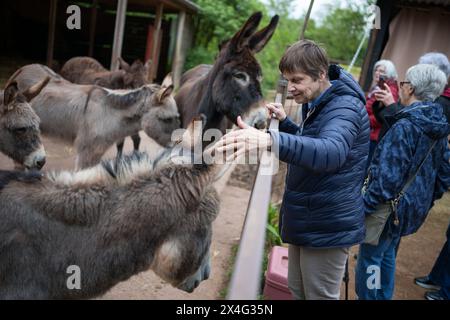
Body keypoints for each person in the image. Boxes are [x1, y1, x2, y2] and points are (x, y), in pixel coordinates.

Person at [213, 40, 370, 300]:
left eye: (296, 80)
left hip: (326, 226)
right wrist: (285, 125)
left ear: (321, 74)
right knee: (298, 291)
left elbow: (330, 152)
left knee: (318, 296)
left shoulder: (344, 108)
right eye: (287, 80)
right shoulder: (321, 101)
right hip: (311, 217)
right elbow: (314, 143)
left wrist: (270, 140)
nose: (291, 88)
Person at [355, 64, 450, 300]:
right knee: (387, 254)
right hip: (410, 209)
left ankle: (370, 298)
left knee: (371, 260)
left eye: (404, 83)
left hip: (387, 209)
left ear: (411, 88)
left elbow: (386, 180)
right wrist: (425, 199)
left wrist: (364, 208)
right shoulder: (438, 124)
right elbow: (444, 173)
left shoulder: (405, 125)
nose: (401, 87)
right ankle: (383, 296)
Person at [365, 60, 399, 168]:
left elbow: (384, 115)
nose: (377, 73)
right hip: (370, 133)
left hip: (375, 136)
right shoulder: (378, 87)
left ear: (389, 74)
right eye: (376, 69)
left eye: (382, 71)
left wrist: (363, 120)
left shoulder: (389, 90)